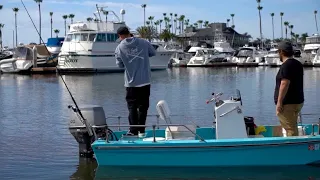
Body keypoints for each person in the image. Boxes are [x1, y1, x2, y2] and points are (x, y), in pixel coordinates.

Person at [115, 26, 156, 135]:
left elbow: (119, 65)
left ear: (120, 36)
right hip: (145, 81)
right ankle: (141, 131)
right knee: (143, 108)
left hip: (131, 83)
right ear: (129, 32)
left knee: (132, 107)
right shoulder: (143, 42)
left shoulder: (119, 48)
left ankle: (133, 131)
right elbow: (153, 53)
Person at [274, 41, 304, 136]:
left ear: (282, 52)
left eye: (278, 52)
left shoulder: (286, 65)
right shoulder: (298, 64)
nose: (278, 54)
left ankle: (293, 148)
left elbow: (284, 83)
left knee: (290, 128)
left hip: (288, 104)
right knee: (292, 125)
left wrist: (279, 102)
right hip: (298, 101)